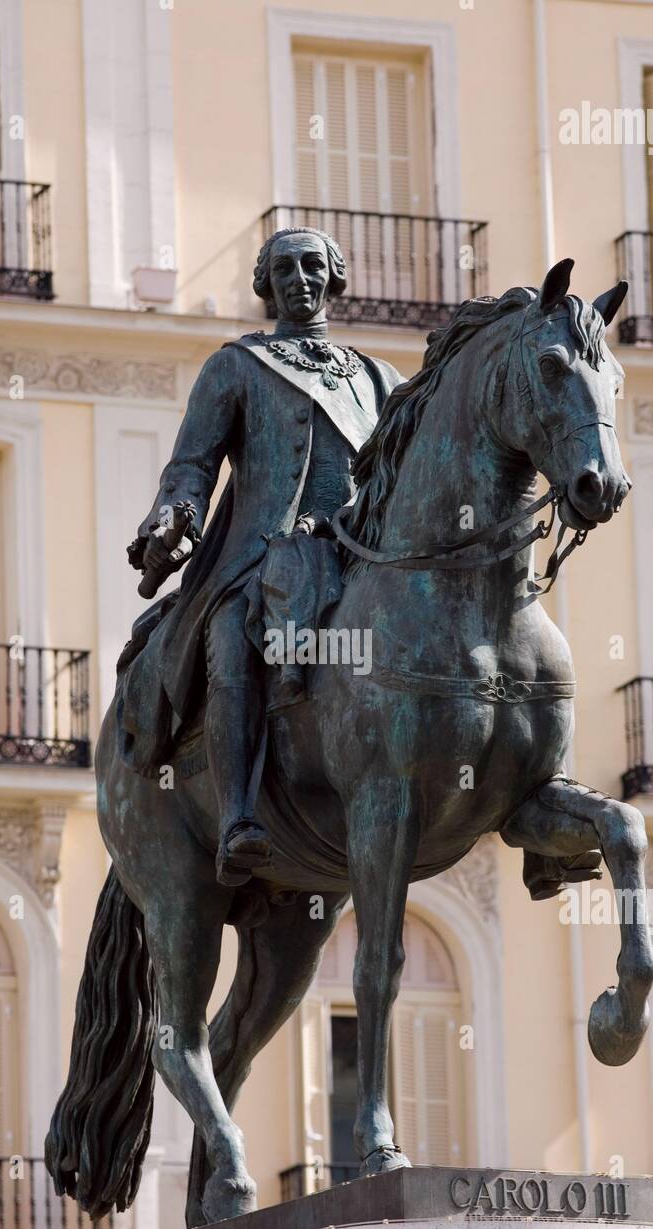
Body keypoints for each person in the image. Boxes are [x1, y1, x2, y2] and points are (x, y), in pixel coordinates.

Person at [124, 226, 403, 885]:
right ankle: (238, 816)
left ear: (334, 276)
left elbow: (412, 472)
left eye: (312, 266)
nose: (299, 279)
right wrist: (173, 519)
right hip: (259, 554)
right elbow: (191, 466)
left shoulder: (376, 378)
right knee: (231, 640)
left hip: (359, 555)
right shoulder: (237, 367)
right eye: (284, 269)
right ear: (266, 284)